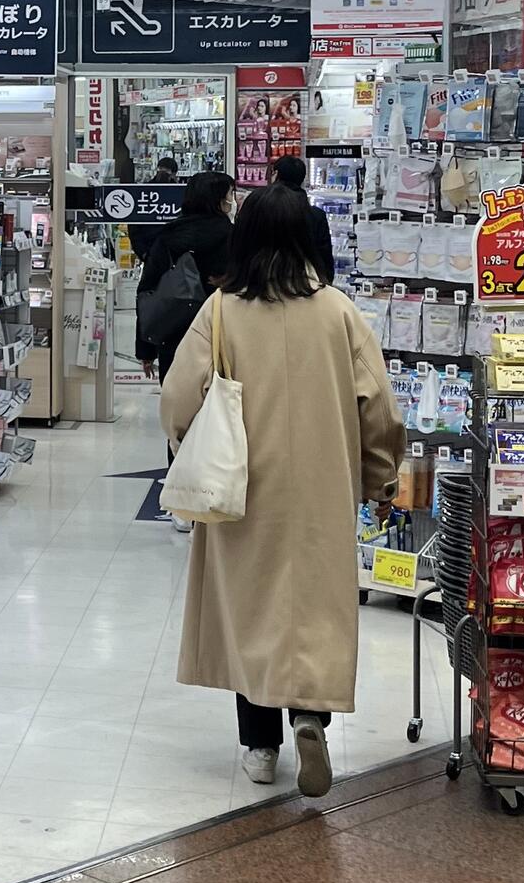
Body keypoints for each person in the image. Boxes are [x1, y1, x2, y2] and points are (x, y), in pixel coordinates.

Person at [161, 185, 403, 794]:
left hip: (244, 488)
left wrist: (185, 445)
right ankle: (310, 716)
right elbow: (378, 408)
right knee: (313, 608)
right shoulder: (339, 312)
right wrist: (380, 475)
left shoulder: (221, 311)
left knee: (251, 610)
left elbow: (178, 397)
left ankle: (261, 745)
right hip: (324, 487)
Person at [136, 167, 234, 380]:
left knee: (177, 403)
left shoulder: (169, 236)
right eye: (229, 194)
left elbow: (148, 291)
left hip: (173, 332)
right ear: (217, 200)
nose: (232, 200)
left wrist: (146, 350)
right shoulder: (233, 237)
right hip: (221, 335)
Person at [269, 151, 336, 284]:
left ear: (276, 175)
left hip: (267, 284)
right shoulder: (316, 215)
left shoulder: (261, 207)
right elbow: (324, 256)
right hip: (307, 285)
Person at [127, 157, 181, 266]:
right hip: (154, 252)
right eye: (161, 170)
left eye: (166, 171)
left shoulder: (179, 193)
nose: (163, 174)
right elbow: (134, 225)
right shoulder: (145, 192)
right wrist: (142, 252)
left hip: (167, 253)